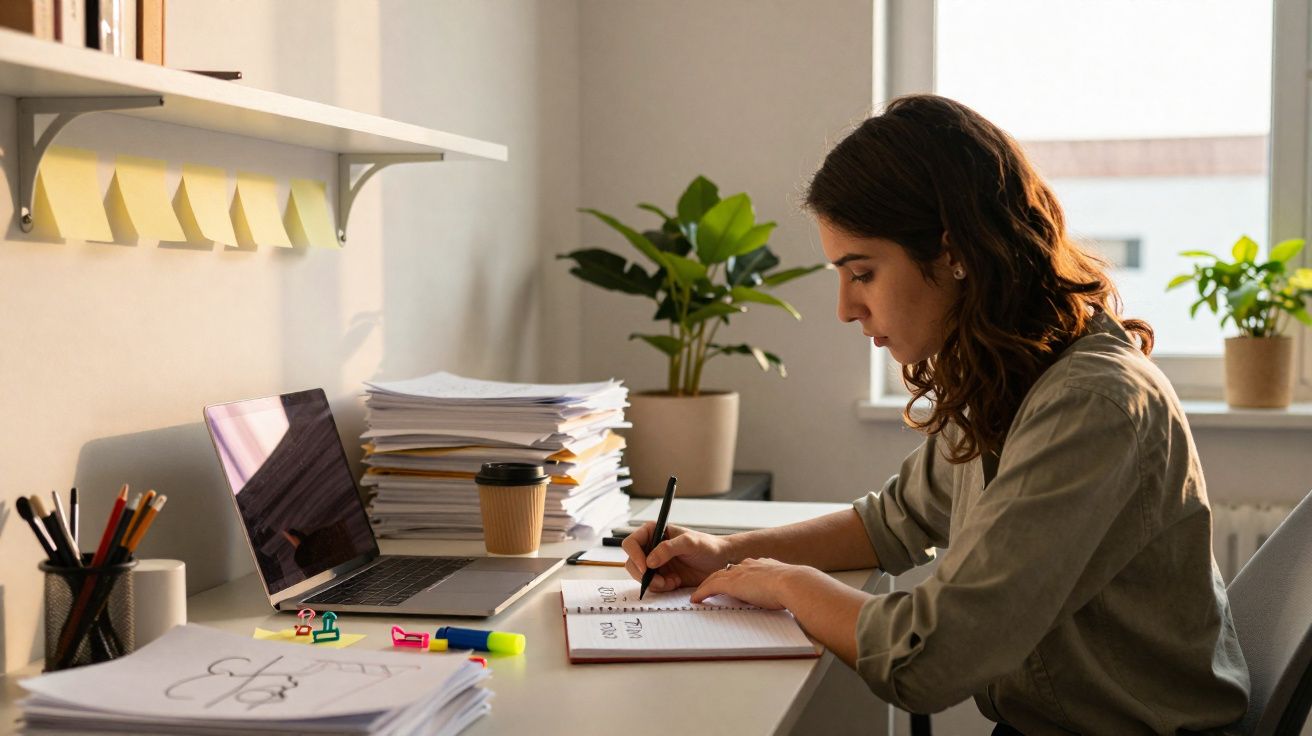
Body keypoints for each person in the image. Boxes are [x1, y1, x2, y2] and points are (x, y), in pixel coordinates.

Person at [621, 94, 1249, 735]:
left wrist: (785, 584)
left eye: (861, 272)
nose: (845, 308)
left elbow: (928, 659)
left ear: (955, 253)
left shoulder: (1090, 405)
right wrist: (723, 555)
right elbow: (892, 522)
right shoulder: (1009, 371)